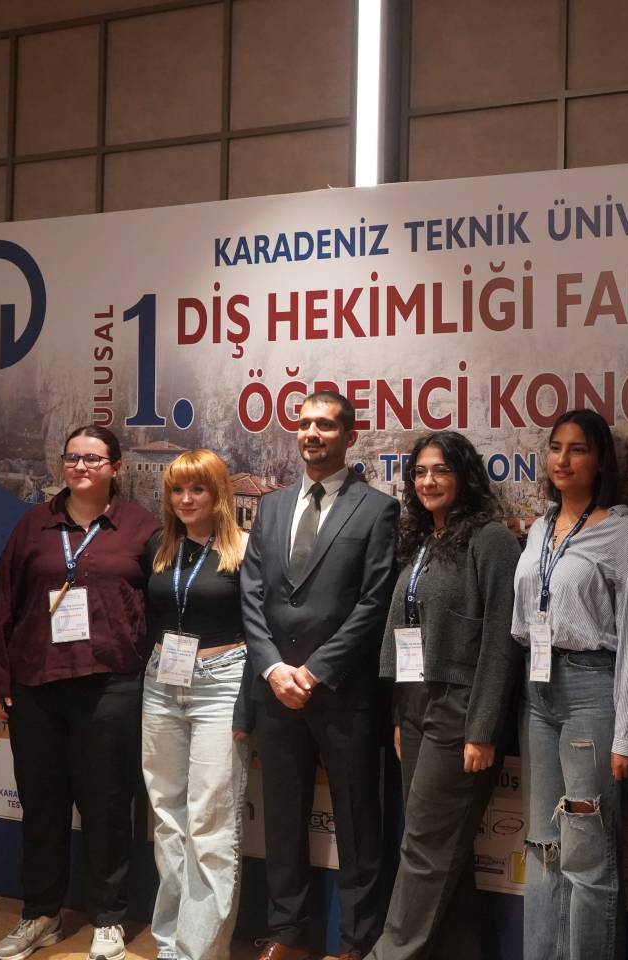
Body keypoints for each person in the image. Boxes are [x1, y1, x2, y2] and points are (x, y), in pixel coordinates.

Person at [0, 425, 159, 960]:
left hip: (111, 686)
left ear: (116, 467)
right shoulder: (33, 524)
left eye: (93, 458)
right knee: (42, 805)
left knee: (108, 806)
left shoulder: (141, 527)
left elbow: (162, 606)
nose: (81, 466)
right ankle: (41, 914)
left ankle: (108, 917)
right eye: (73, 457)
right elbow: (4, 601)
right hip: (37, 684)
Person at [232, 391, 398, 960]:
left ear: (349, 436)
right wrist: (274, 668)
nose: (312, 433)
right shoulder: (273, 506)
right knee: (281, 820)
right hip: (276, 691)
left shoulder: (377, 509)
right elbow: (251, 594)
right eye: (304, 423)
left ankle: (356, 942)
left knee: (357, 824)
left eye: (325, 425)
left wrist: (317, 670)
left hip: (343, 693)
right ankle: (287, 934)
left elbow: (374, 602)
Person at [368, 431, 521, 960]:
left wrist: (483, 728)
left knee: (426, 846)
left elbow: (501, 640)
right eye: (420, 472)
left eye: (441, 470)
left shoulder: (491, 540)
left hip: (460, 707)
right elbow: (407, 632)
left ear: (465, 476)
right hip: (414, 705)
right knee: (438, 844)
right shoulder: (423, 541)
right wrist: (399, 713)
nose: (428, 481)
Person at [510, 409, 628, 960]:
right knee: (543, 845)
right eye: (556, 448)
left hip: (593, 692)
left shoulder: (623, 532)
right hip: (538, 691)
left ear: (600, 462)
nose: (563, 460)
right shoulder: (540, 527)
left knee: (587, 851)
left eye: (577, 449)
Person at [141, 449, 249, 960]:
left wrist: (250, 701)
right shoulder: (161, 547)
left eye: (197, 489)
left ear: (219, 493)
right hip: (161, 682)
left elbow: (261, 626)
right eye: (177, 490)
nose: (186, 499)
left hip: (222, 683)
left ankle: (200, 950)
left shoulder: (243, 550)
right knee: (167, 818)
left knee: (211, 823)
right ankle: (170, 943)